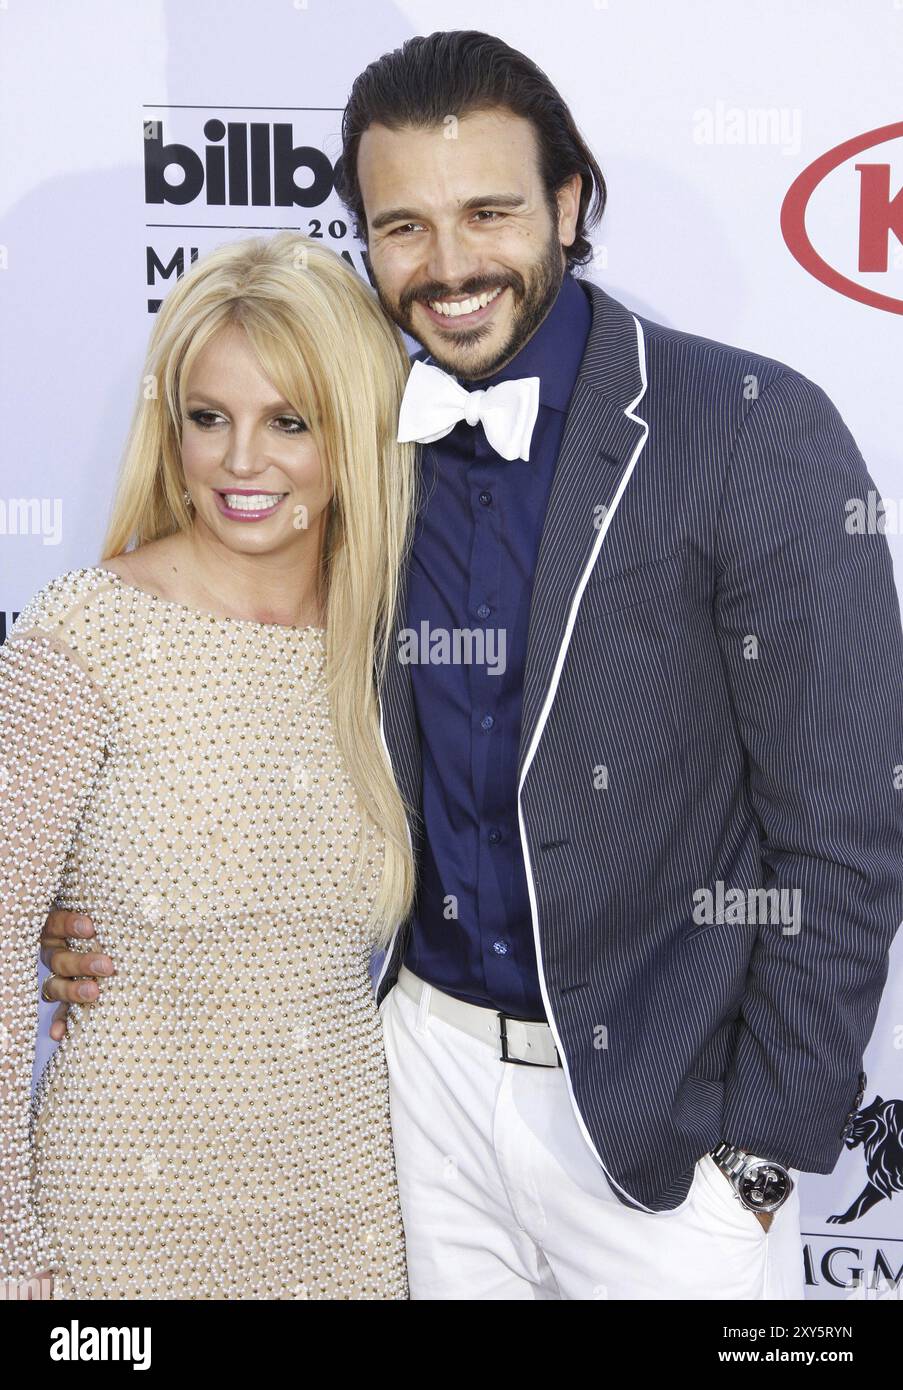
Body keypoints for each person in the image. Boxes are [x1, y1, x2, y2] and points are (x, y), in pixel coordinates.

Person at [41, 30, 903, 1301]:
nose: (447, 268)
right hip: (411, 1096)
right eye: (402, 226)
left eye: (488, 212)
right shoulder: (353, 440)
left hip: (658, 1135)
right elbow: (238, 705)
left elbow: (844, 832)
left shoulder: (751, 430)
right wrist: (109, 910)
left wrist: (761, 1163)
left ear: (568, 203)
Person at [0, 232, 417, 1299]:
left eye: (289, 422)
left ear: (356, 431)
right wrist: (10, 1247)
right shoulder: (82, 634)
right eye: (207, 417)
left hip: (348, 1210)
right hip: (121, 1218)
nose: (240, 463)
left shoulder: (389, 645)